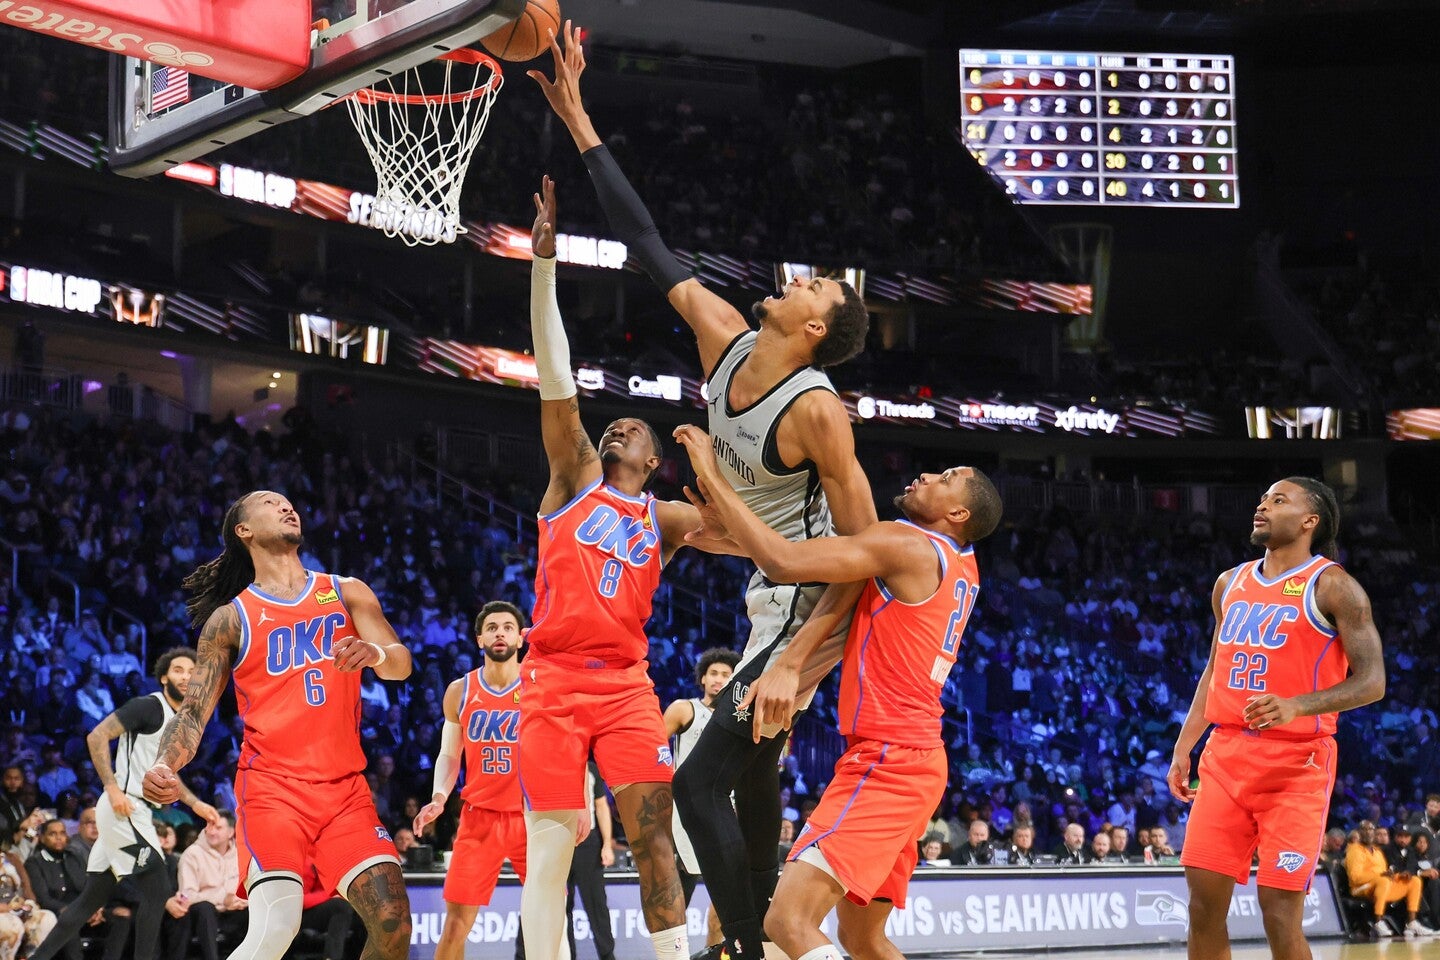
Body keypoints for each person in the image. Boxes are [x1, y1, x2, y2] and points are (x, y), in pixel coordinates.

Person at [533, 26, 879, 960]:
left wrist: (798, 656)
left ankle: (757, 944)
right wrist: (576, 113)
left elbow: (864, 558)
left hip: (812, 605)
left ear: (815, 328)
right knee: (756, 788)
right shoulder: (723, 334)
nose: (800, 276)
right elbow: (646, 240)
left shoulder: (817, 413)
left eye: (818, 286)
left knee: (695, 785)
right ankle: (775, 930)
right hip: (767, 589)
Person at [676, 428, 999, 960]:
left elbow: (784, 562)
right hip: (918, 759)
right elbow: (830, 565)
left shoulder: (907, 543)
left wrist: (713, 474)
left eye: (946, 480)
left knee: (786, 920)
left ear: (958, 514)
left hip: (888, 761)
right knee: (863, 939)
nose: (926, 476)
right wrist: (729, 538)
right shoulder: (957, 562)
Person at [516, 178, 707, 960]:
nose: (616, 425)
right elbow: (556, 377)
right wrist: (544, 265)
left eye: (631, 428)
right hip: (554, 677)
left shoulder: (664, 520)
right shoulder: (573, 476)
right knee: (556, 847)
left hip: (627, 684)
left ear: (653, 460)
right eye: (615, 422)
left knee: (653, 834)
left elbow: (755, 529)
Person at [142, 489, 415, 960]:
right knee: (277, 927)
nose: (287, 506)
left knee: (394, 928)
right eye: (270, 503)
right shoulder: (230, 620)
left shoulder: (346, 590)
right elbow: (193, 713)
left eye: (289, 502)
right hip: (272, 789)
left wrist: (374, 654)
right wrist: (166, 762)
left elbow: (402, 663)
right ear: (243, 530)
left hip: (344, 790)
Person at [1168, 478, 1389, 958]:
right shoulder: (1230, 582)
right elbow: (1215, 669)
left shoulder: (1335, 586)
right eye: (1264, 498)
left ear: (1310, 521)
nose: (1263, 505)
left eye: (1279, 500)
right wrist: (1186, 743)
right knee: (1203, 907)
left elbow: (1372, 682)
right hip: (1225, 756)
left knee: (1278, 910)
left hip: (1297, 763)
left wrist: (1298, 704)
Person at [29, 649, 219, 960]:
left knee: (88, 901)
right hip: (124, 807)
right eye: (179, 670)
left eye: (192, 672)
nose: (186, 676)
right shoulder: (147, 706)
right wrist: (112, 787)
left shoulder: (181, 720)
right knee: (158, 886)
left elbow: (166, 774)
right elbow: (97, 736)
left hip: (136, 809)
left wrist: (196, 804)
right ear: (163, 676)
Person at [413, 600, 541, 960]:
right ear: (479, 639)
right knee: (455, 925)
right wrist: (439, 797)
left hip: (531, 817)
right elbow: (450, 755)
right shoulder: (460, 690)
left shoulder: (539, 687)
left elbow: (566, 751)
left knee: (547, 919)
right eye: (491, 628)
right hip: (479, 817)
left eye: (508, 627)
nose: (499, 632)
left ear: (520, 639)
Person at [661, 648, 740, 904]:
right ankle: (673, 944)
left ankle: (723, 945)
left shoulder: (741, 719)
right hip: (684, 809)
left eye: (725, 674)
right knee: (681, 892)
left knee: (726, 899)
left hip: (725, 808)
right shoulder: (684, 709)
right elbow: (655, 748)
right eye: (713, 673)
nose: (718, 679)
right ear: (703, 678)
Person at [172, 812, 247, 960]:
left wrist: (240, 900)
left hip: (234, 911)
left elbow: (249, 888)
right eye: (209, 827)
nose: (211, 831)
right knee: (205, 909)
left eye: (218, 828)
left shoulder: (241, 854)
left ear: (231, 832)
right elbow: (186, 895)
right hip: (202, 915)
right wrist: (223, 898)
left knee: (256, 911)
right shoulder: (192, 854)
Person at [1346, 820, 1431, 938]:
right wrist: (1381, 876)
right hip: (1361, 888)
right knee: (1383, 880)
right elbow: (1355, 877)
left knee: (1414, 880)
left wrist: (1396, 876)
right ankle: (1378, 922)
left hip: (1381, 887)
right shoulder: (1355, 850)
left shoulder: (1377, 851)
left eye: (1370, 829)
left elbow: (1383, 872)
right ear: (1359, 833)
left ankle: (1411, 923)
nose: (1368, 832)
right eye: (1364, 830)